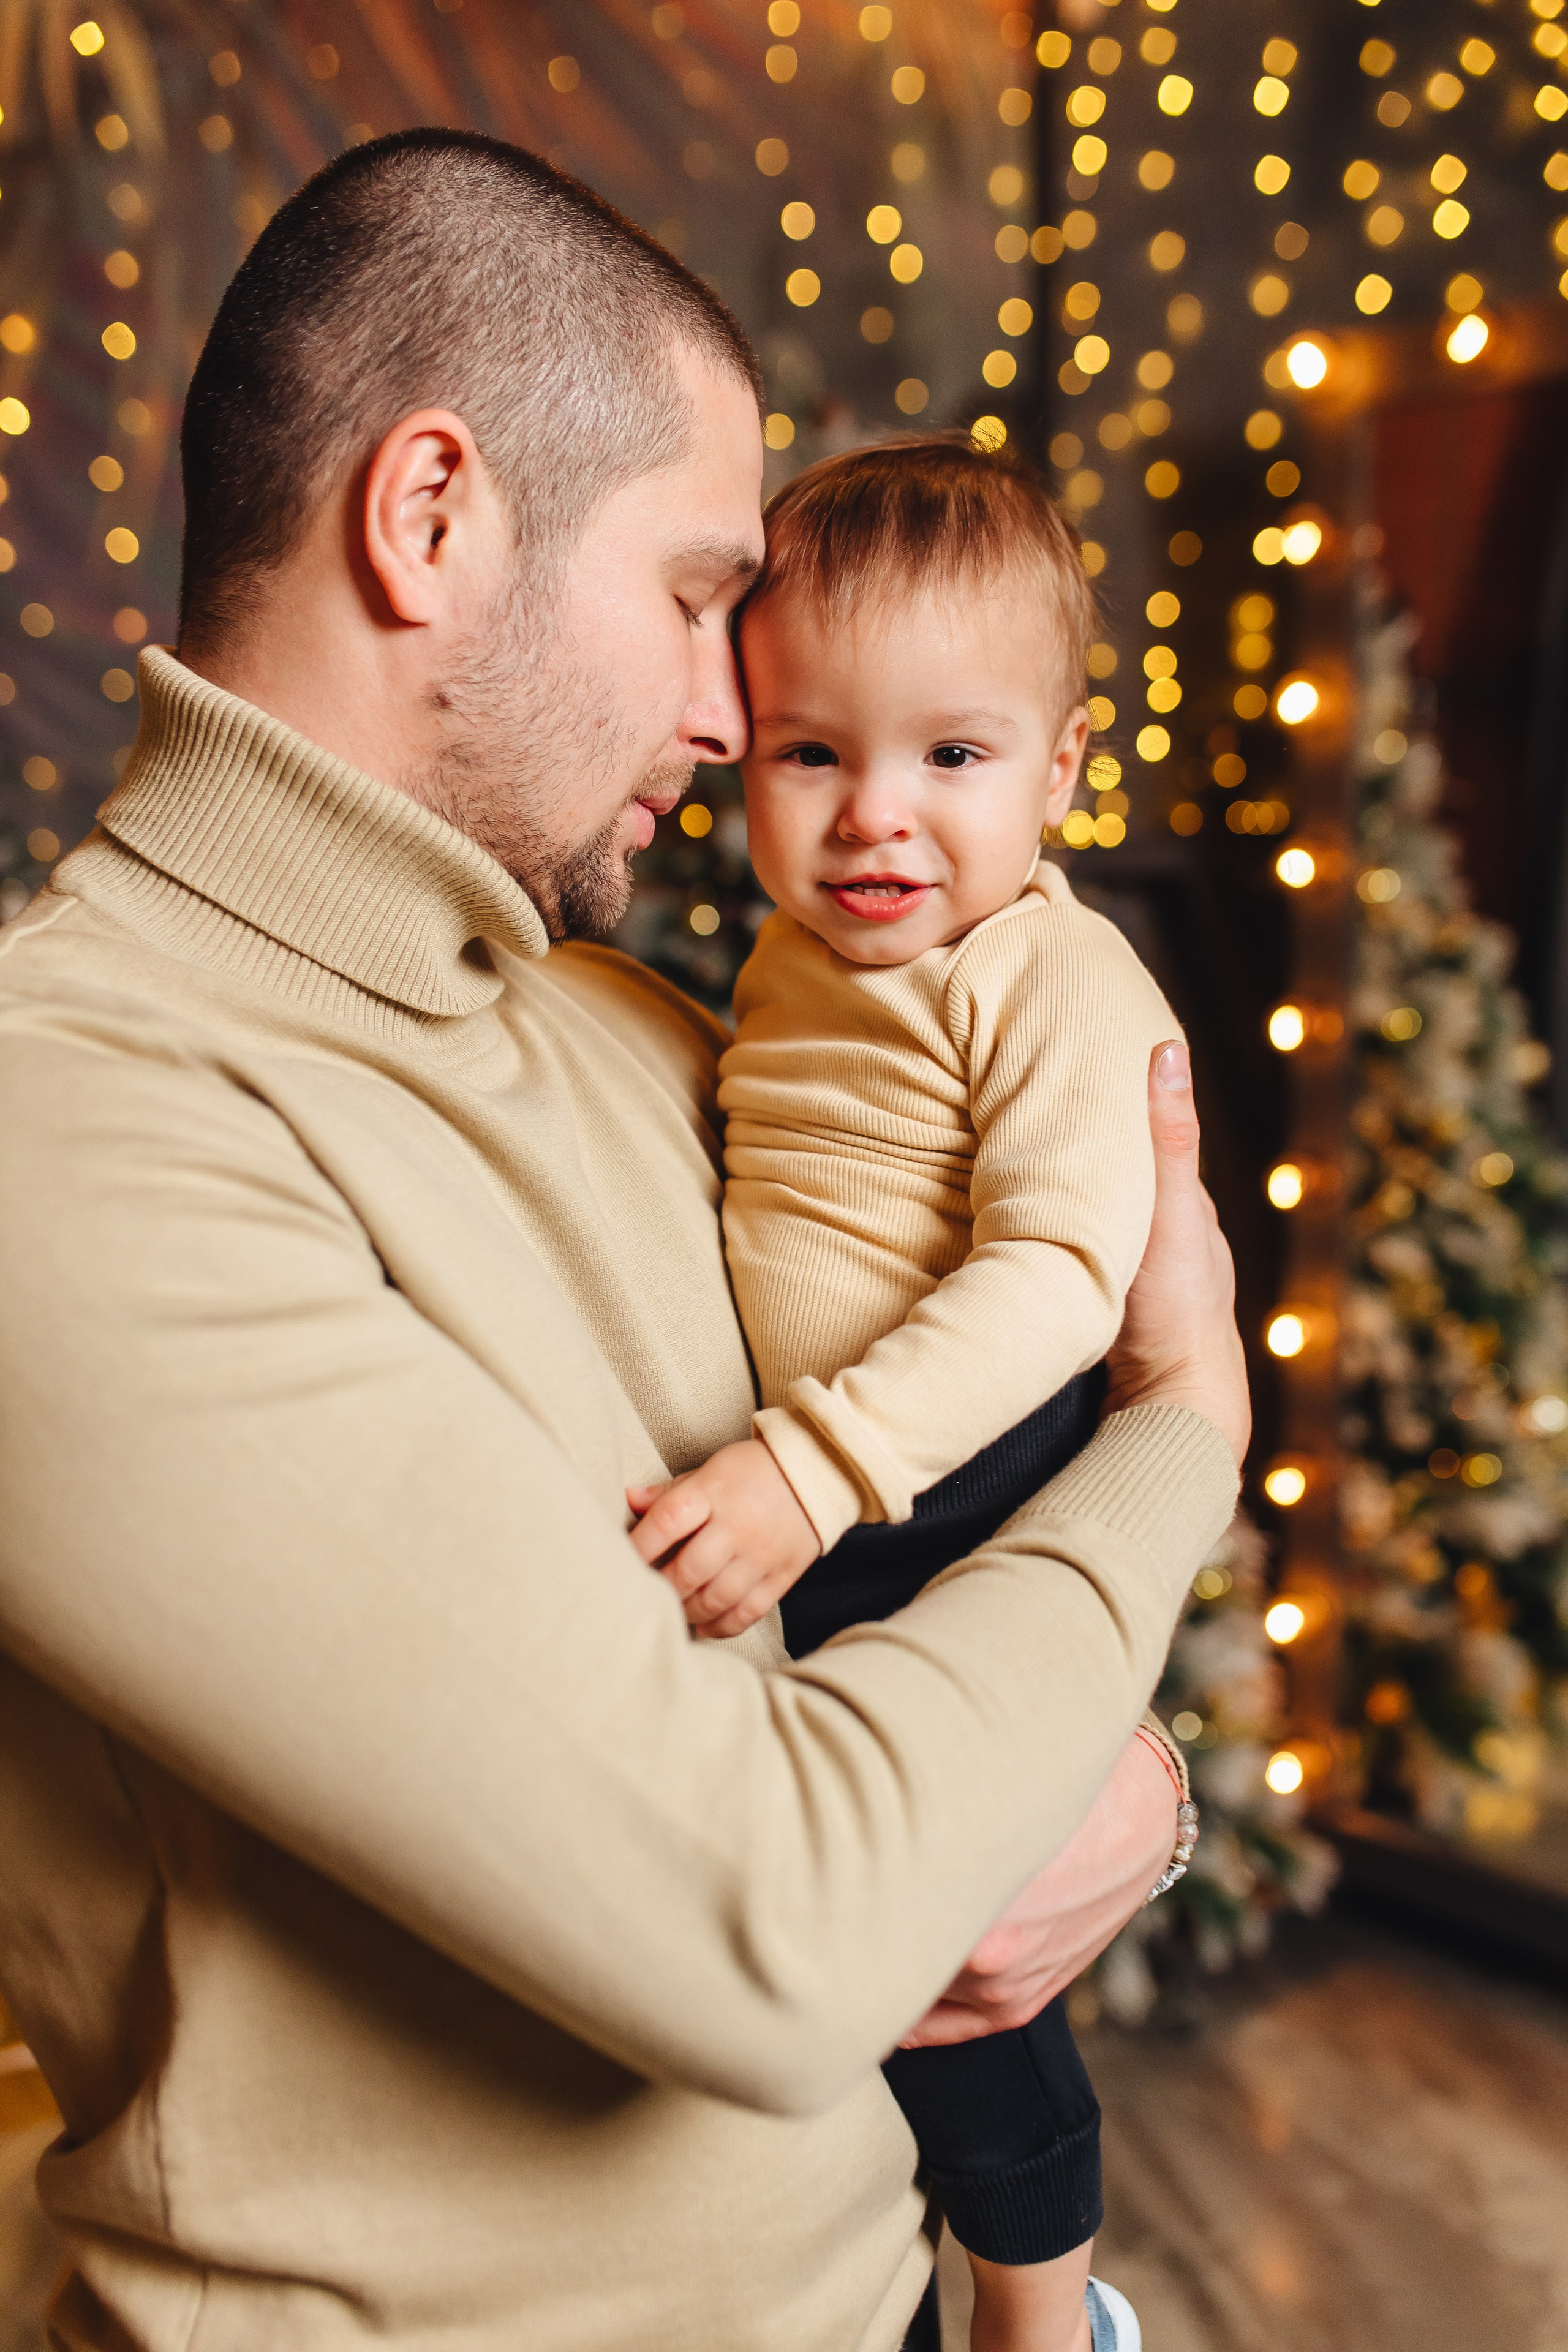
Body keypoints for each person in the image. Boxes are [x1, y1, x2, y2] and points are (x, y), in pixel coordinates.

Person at [0, 130, 1246, 2352]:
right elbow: (784, 1923)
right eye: (694, 598)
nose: (721, 709)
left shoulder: (652, 1025)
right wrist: (1188, 1421)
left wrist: (1132, 1793)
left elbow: (927, 1612)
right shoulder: (63, 1122)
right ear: (431, 516)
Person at [628, 439, 1183, 2352]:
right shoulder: (787, 965)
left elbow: (1057, 1272)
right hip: (858, 1501)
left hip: (968, 1483)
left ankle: (1047, 2323)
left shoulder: (1051, 974)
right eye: (812, 754)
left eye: (954, 757)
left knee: (959, 1968)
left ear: (1064, 767)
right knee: (867, 1960)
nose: (878, 819)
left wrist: (810, 1460)